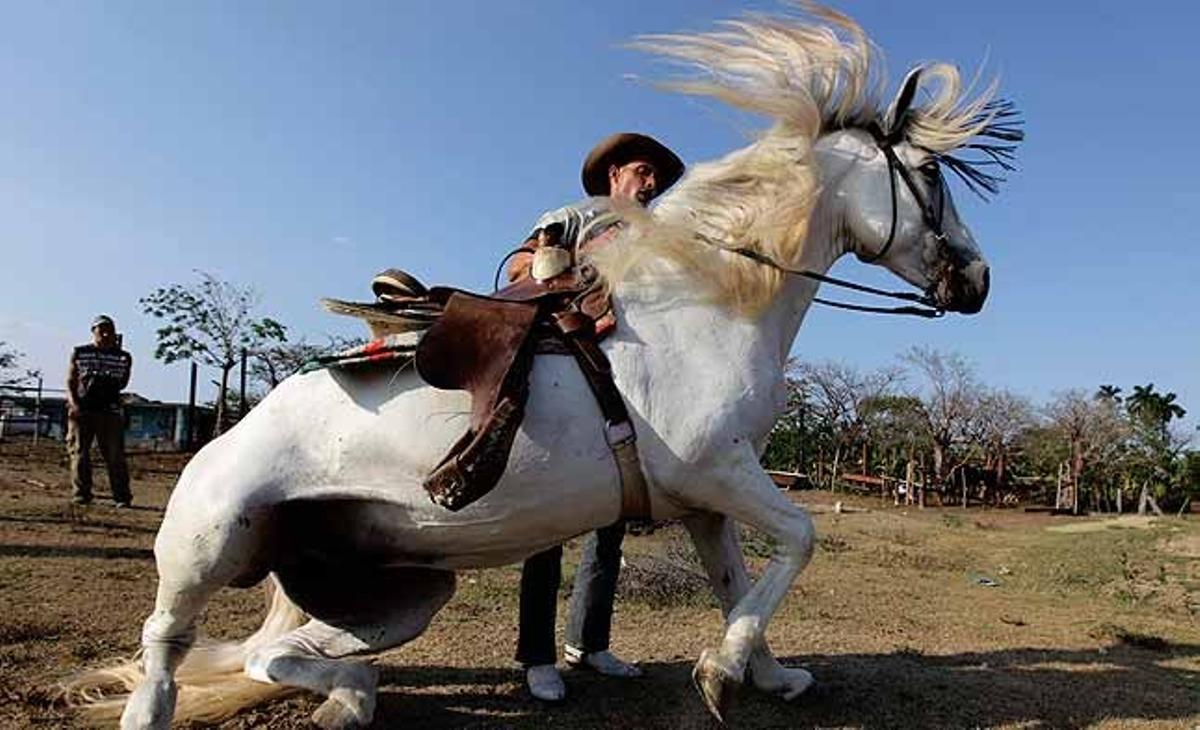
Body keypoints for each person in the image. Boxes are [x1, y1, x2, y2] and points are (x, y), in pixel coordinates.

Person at [510, 132, 684, 702]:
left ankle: (589, 642)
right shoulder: (574, 217)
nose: (651, 183)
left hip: (632, 386)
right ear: (613, 175)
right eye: (642, 171)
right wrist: (554, 273)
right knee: (550, 520)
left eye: (656, 176)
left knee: (610, 523)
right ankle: (535, 655)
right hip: (568, 371)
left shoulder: (663, 238)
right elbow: (516, 268)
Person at [66, 314, 133, 507]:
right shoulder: (79, 352)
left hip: (110, 411)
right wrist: (73, 403)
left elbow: (123, 382)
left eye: (109, 330)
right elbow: (71, 380)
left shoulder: (123, 357)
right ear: (93, 332)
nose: (105, 334)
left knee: (115, 455)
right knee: (79, 453)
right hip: (83, 409)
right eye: (100, 330)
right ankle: (81, 495)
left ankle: (122, 497)